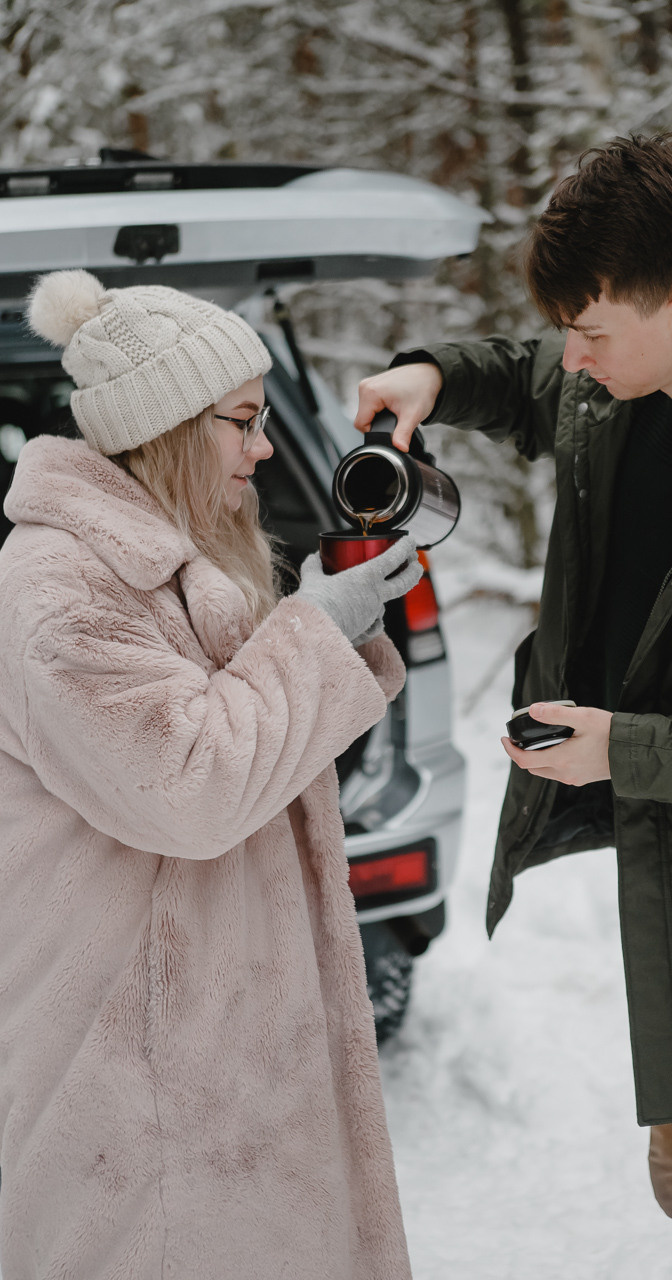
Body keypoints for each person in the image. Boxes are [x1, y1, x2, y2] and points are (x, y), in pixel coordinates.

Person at [355, 132, 672, 1278]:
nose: (569, 358)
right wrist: (432, 372)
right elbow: (528, 371)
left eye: (590, 333)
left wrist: (626, 749)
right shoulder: (619, 387)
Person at [0, 269, 422, 1279]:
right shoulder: (59, 591)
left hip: (206, 1057)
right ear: (170, 425)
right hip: (135, 1091)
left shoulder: (170, 563)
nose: (266, 447)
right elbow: (189, 781)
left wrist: (327, 621)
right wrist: (315, 629)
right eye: (243, 420)